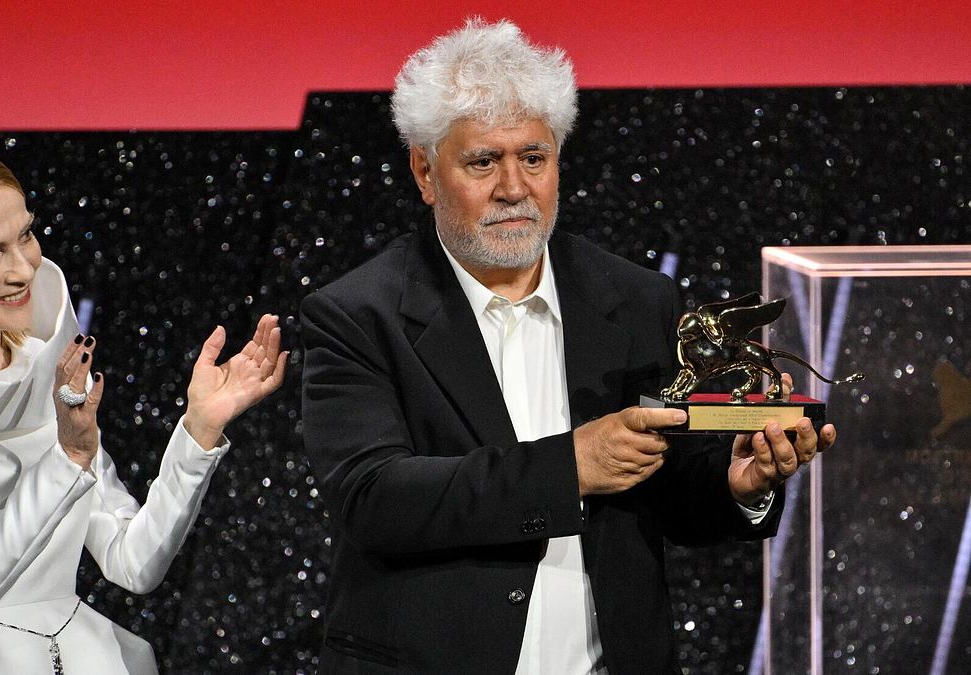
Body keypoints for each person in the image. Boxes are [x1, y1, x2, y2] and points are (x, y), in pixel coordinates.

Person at [300, 19, 836, 674]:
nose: (513, 188)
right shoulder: (356, 314)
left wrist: (737, 480)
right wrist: (567, 468)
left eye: (533, 157)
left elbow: (673, 491)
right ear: (424, 169)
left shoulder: (639, 300)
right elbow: (373, 498)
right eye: (482, 161)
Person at [0, 142, 287, 674]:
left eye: (25, 234)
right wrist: (66, 458)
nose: (25, 269)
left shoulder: (48, 361)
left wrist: (199, 430)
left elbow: (132, 563)